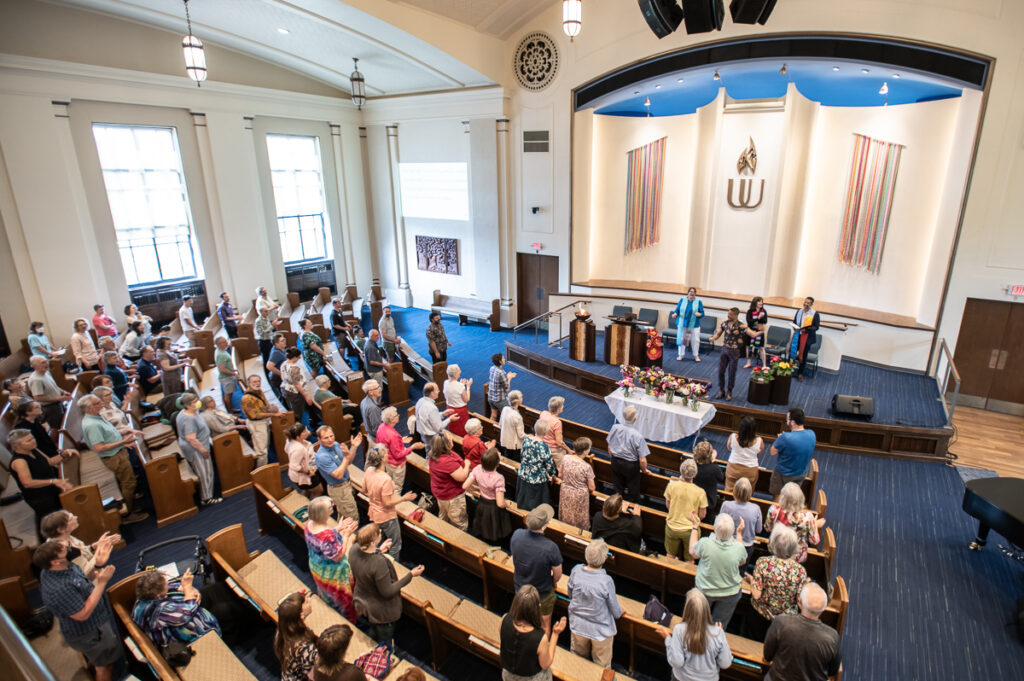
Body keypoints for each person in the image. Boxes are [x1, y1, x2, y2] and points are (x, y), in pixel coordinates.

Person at [35, 540, 123, 681]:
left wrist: (98, 564)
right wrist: (102, 583)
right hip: (90, 632)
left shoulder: (61, 567)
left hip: (96, 624)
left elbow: (81, 580)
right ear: (55, 562)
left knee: (100, 659)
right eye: (63, 551)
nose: (68, 549)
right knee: (105, 666)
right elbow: (83, 614)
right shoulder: (60, 589)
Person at [348, 523, 425, 642]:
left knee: (373, 630)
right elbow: (387, 591)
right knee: (384, 639)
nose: (381, 533)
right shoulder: (378, 563)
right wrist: (411, 575)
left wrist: (379, 550)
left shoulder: (354, 549)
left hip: (364, 599)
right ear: (373, 541)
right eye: (379, 533)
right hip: (381, 609)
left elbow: (366, 559)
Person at [80, 394, 148, 522]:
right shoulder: (92, 425)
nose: (101, 404)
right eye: (97, 403)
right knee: (129, 483)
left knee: (129, 480)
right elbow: (99, 448)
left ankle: (131, 506)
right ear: (89, 408)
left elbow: (110, 433)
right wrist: (123, 442)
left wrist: (127, 432)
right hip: (113, 457)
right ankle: (128, 513)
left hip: (118, 452)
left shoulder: (97, 417)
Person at [763, 583, 841, 681]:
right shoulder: (832, 637)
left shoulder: (781, 622)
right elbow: (833, 671)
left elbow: (767, 656)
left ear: (799, 602)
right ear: (824, 608)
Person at [567, 539, 621, 668]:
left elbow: (570, 594)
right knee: (602, 666)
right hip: (601, 632)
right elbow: (616, 613)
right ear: (604, 559)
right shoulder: (606, 581)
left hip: (578, 626)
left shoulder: (576, 571)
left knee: (577, 662)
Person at [744, 526, 809, 634]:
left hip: (761, 615)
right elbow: (799, 598)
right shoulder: (800, 571)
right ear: (794, 547)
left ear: (773, 543)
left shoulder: (763, 563)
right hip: (785, 621)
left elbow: (756, 594)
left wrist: (752, 581)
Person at [510, 504, 563, 636]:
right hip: (542, 593)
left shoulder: (516, 534)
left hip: (520, 588)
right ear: (544, 526)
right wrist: (552, 582)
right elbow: (558, 575)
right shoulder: (551, 548)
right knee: (545, 626)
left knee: (522, 619)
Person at [688, 511, 747, 629]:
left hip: (704, 589)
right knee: (718, 628)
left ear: (715, 528)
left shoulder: (705, 543)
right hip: (730, 592)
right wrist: (739, 534)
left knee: (698, 622)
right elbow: (742, 561)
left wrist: (695, 527)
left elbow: (692, 552)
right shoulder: (738, 547)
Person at [132, 569, 220, 646]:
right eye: (165, 582)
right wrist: (188, 588)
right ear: (159, 596)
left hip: (185, 610)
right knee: (224, 609)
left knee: (214, 589)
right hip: (181, 638)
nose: (167, 582)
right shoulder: (157, 611)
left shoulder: (148, 594)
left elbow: (176, 586)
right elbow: (187, 613)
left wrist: (191, 591)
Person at [658, 588, 732, 681]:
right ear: (707, 610)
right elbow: (725, 663)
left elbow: (677, 662)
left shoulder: (679, 629)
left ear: (687, 609)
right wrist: (719, 634)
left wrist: (668, 639)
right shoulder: (718, 632)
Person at [304, 496, 358, 622]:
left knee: (327, 594)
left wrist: (337, 529)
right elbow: (338, 557)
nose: (332, 508)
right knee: (342, 600)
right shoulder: (327, 535)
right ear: (322, 513)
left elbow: (321, 542)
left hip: (317, 565)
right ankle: (348, 622)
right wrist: (345, 536)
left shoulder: (309, 523)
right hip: (332, 573)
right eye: (330, 507)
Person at [499, 585, 566, 681]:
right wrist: (555, 634)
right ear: (536, 609)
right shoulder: (539, 637)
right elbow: (545, 664)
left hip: (507, 674)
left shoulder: (504, 619)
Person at [364, 444, 417, 560]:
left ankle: (377, 559)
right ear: (383, 459)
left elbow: (365, 490)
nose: (388, 455)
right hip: (386, 516)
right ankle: (392, 567)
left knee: (379, 539)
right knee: (395, 544)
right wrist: (404, 498)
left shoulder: (368, 470)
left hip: (373, 512)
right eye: (386, 454)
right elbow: (387, 503)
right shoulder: (385, 479)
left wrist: (375, 497)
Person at [7, 428, 72, 521]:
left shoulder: (34, 450)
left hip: (51, 489)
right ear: (17, 446)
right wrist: (53, 481)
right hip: (40, 497)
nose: (33, 441)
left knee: (64, 515)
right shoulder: (19, 461)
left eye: (32, 438)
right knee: (54, 520)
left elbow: (49, 462)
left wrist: (63, 455)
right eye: (28, 441)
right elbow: (27, 483)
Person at [40, 510, 120, 580]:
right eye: (71, 518)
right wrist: (100, 551)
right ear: (61, 529)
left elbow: (81, 552)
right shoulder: (64, 550)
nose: (76, 517)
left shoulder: (65, 537)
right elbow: (85, 573)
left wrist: (94, 546)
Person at [176, 392, 221, 506]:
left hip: (199, 446)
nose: (198, 403)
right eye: (194, 402)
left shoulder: (186, 412)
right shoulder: (188, 418)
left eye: (197, 400)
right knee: (204, 472)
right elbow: (190, 438)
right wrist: (203, 450)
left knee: (206, 471)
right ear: (188, 405)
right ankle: (206, 498)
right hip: (196, 450)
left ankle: (207, 495)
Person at [765, 483, 824, 564]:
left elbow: (767, 529)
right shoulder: (807, 517)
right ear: (800, 498)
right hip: (796, 555)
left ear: (782, 497)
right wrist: (815, 525)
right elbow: (814, 541)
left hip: (776, 549)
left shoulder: (773, 510)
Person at [314, 425, 363, 522]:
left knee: (344, 515)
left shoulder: (335, 444)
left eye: (331, 436)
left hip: (346, 484)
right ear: (319, 439)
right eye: (326, 438)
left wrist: (353, 447)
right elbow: (338, 475)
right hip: (339, 489)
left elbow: (348, 462)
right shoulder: (322, 456)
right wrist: (346, 456)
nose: (330, 440)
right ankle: (353, 536)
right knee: (352, 519)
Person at [464, 447, 512, 542]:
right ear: (497, 463)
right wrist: (507, 503)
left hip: (482, 502)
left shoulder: (477, 469)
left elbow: (465, 486)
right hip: (493, 507)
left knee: (484, 524)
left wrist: (475, 488)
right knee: (494, 526)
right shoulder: (498, 478)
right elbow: (500, 503)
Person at [708, 307, 756, 401]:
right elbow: (718, 334)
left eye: (730, 314)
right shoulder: (724, 323)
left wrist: (758, 333)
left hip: (735, 352)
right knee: (721, 371)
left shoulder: (742, 326)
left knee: (731, 372)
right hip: (724, 350)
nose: (728, 316)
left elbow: (751, 334)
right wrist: (713, 338)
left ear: (736, 315)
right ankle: (721, 390)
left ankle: (729, 391)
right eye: (728, 314)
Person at [664, 459, 707, 562]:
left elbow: (668, 505)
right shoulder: (700, 492)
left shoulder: (671, 485)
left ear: (680, 471)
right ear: (695, 474)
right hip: (690, 530)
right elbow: (702, 515)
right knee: (690, 560)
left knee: (670, 555)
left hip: (672, 527)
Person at [768, 408, 816, 497]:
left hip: (783, 475)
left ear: (793, 422)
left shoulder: (785, 438)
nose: (786, 421)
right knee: (791, 498)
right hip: (801, 474)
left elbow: (772, 451)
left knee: (778, 499)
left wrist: (780, 439)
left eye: (787, 419)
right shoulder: (812, 434)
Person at [428, 433, 471, 531]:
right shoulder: (447, 462)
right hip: (452, 497)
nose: (452, 440)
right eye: (450, 440)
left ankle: (443, 530)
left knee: (444, 515)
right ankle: (458, 540)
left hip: (440, 493)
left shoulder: (433, 454)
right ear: (446, 445)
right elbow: (462, 477)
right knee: (458, 521)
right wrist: (467, 464)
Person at [606, 405, 649, 502]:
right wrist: (645, 470)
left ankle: (616, 506)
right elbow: (642, 459)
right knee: (633, 491)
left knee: (617, 489)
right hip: (631, 466)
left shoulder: (615, 427)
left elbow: (610, 446)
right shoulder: (638, 436)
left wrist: (613, 458)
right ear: (635, 418)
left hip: (615, 461)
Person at [377, 406, 424, 492]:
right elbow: (399, 454)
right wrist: (413, 446)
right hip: (396, 464)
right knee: (397, 487)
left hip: (387, 460)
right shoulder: (393, 435)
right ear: (391, 420)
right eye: (396, 415)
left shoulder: (381, 427)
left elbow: (385, 443)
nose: (399, 415)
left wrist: (400, 441)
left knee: (390, 482)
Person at [275, 592, 319, 681]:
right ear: (301, 615)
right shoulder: (306, 648)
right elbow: (313, 677)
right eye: (306, 602)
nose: (310, 600)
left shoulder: (283, 629)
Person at [719, 478, 762, 567]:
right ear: (750, 493)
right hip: (746, 546)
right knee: (740, 573)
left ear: (734, 491)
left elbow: (719, 524)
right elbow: (758, 530)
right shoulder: (755, 509)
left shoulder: (726, 505)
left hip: (726, 544)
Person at [516, 420, 557, 511]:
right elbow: (550, 466)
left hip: (523, 475)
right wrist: (553, 476)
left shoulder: (526, 440)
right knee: (536, 509)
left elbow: (522, 454)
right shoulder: (544, 447)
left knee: (523, 506)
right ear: (546, 433)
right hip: (536, 481)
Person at [558, 437, 595, 531]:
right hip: (579, 496)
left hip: (565, 491)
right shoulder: (586, 467)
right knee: (578, 517)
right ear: (585, 451)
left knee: (566, 514)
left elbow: (560, 475)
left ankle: (563, 530)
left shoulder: (566, 458)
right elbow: (591, 488)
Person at [240, 374, 277, 467]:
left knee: (266, 445)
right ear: (248, 383)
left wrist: (272, 408)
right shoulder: (247, 398)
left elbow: (266, 405)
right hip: (256, 424)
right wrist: (273, 414)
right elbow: (255, 415)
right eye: (254, 382)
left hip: (264, 421)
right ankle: (261, 472)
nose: (257, 383)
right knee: (261, 452)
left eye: (258, 381)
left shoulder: (259, 391)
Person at [28, 355, 72, 428]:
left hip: (57, 403)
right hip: (49, 408)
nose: (46, 363)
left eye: (46, 361)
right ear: (34, 365)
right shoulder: (36, 380)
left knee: (63, 423)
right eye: (43, 362)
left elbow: (54, 386)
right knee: (56, 428)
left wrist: (63, 392)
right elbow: (38, 398)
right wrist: (59, 398)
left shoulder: (46, 372)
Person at [286, 423, 325, 498]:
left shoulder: (290, 440)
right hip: (305, 474)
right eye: (304, 431)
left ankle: (304, 502)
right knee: (319, 491)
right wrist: (308, 472)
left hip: (308, 468)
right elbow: (294, 466)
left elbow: (286, 450)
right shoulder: (298, 449)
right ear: (298, 437)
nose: (307, 431)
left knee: (308, 490)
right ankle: (313, 508)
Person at [724, 416, 762, 493]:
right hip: (750, 471)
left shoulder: (733, 437)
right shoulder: (759, 441)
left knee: (729, 492)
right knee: (746, 493)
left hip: (733, 469)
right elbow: (759, 454)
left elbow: (729, 448)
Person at [283, 347, 317, 426]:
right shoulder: (294, 368)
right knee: (298, 413)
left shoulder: (284, 364)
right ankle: (299, 428)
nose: (299, 359)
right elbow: (297, 384)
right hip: (295, 393)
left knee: (294, 410)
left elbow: (283, 377)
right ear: (294, 357)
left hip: (287, 390)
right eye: (298, 357)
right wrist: (306, 396)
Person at [670, 287, 705, 362]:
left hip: (694, 325)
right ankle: (681, 354)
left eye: (693, 292)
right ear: (688, 292)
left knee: (695, 340)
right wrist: (675, 314)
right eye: (690, 291)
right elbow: (677, 310)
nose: (692, 293)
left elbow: (702, 313)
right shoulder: (682, 300)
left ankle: (696, 355)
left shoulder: (698, 302)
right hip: (684, 324)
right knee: (683, 339)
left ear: (695, 294)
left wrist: (699, 314)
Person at [692, 441, 724, 519]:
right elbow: (721, 478)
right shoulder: (714, 468)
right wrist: (713, 461)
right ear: (710, 455)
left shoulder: (692, 466)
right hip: (709, 502)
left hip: (693, 499)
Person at [792, 297, 821, 382]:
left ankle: (800, 373)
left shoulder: (815, 314)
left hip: (807, 337)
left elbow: (816, 327)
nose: (806, 304)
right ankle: (791, 369)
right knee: (793, 352)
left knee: (803, 356)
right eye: (805, 302)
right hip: (798, 336)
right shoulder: (799, 311)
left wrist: (806, 330)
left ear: (811, 304)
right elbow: (795, 321)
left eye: (808, 303)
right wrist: (795, 327)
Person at [538, 396, 573, 467]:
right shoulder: (557, 422)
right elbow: (559, 442)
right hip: (553, 450)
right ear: (559, 409)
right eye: (562, 405)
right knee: (561, 469)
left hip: (542, 445)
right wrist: (569, 450)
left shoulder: (543, 413)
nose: (563, 406)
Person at [442, 364, 471, 437]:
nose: (460, 372)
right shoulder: (459, 386)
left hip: (449, 409)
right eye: (459, 371)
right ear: (455, 374)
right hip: (460, 412)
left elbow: (453, 391)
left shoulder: (445, 382)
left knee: (453, 429)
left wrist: (460, 384)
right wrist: (468, 387)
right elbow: (467, 399)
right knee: (462, 431)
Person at [214, 336, 241, 413]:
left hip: (228, 376)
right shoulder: (220, 355)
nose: (226, 343)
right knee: (228, 396)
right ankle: (230, 412)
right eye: (224, 342)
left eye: (226, 341)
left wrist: (233, 369)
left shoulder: (220, 351)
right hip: (226, 378)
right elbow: (222, 369)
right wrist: (233, 373)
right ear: (219, 344)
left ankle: (231, 409)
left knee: (230, 394)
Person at [488, 353, 516, 419]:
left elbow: (497, 380)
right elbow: (507, 389)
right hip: (499, 400)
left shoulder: (492, 368)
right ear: (500, 361)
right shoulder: (501, 372)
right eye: (503, 358)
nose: (504, 359)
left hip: (490, 397)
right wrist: (509, 378)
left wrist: (506, 377)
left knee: (493, 415)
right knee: (506, 417)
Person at [744, 297, 768, 369]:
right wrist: (758, 317)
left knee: (761, 348)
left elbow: (765, 321)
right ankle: (748, 363)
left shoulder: (764, 311)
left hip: (760, 332)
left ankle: (764, 365)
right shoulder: (750, 311)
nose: (761, 303)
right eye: (759, 302)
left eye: (762, 302)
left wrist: (761, 317)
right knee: (748, 346)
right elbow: (749, 321)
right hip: (750, 331)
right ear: (755, 302)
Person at [499, 390, 525, 457]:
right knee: (513, 458)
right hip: (514, 445)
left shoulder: (505, 409)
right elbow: (521, 435)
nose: (522, 399)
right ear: (517, 401)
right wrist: (530, 436)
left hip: (505, 440)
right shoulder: (517, 417)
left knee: (507, 454)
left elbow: (500, 424)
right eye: (521, 397)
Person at [360, 379, 384, 446]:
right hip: (377, 439)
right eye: (377, 388)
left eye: (379, 386)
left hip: (370, 433)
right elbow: (377, 429)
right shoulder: (373, 408)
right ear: (370, 392)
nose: (380, 389)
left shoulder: (364, 400)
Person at [266, 333, 289, 400]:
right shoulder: (276, 353)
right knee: (282, 396)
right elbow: (269, 366)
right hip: (276, 378)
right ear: (276, 344)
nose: (285, 341)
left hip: (280, 375)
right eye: (282, 341)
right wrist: (281, 374)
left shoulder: (281, 348)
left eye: (284, 339)